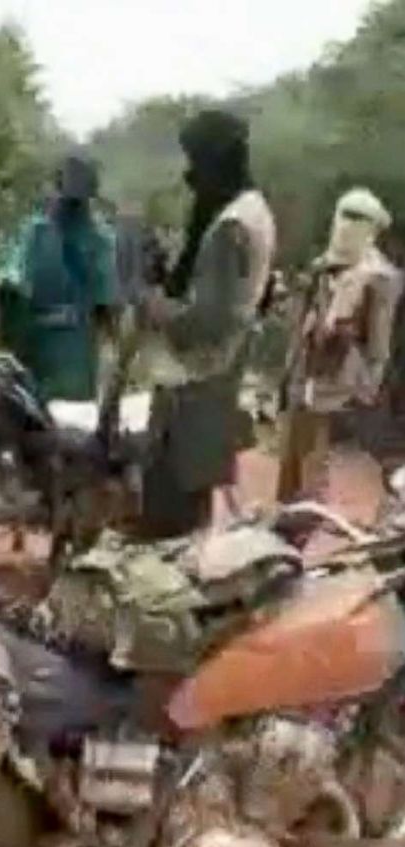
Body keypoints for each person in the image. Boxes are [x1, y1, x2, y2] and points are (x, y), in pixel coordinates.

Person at [138, 109, 276, 538]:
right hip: (218, 379)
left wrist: (155, 307)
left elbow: (205, 322)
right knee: (190, 518)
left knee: (171, 519)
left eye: (195, 159)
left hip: (195, 384)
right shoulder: (255, 210)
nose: (190, 172)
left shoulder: (230, 227)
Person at [277, 188, 401, 504]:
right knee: (293, 469)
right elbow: (300, 324)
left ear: (372, 229)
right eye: (343, 216)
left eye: (358, 220)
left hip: (345, 388)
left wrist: (364, 389)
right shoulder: (322, 268)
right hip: (306, 378)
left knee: (324, 473)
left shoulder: (379, 277)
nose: (346, 226)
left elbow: (379, 343)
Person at [0, 150, 118, 401]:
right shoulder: (37, 233)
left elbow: (106, 304)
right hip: (45, 351)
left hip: (67, 354)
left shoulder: (98, 240)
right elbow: (12, 278)